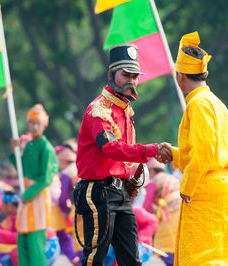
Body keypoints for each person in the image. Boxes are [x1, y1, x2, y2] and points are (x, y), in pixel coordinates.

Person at [73, 43, 170, 266]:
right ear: (110, 74)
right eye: (125, 74)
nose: (132, 81)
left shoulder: (125, 110)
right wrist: (153, 150)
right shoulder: (100, 109)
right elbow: (110, 149)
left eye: (135, 76)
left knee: (131, 259)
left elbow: (126, 155)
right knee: (94, 259)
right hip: (98, 191)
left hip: (120, 192)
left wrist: (133, 179)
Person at [158, 32, 228, 265]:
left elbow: (205, 152)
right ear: (205, 74)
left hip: (207, 190)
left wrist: (187, 186)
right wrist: (175, 155)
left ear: (180, 77)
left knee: (200, 257)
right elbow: (214, 150)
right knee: (225, 256)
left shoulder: (197, 104)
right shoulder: (217, 103)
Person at [10, 104, 59, 266]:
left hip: (36, 197)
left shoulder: (47, 148)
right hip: (26, 195)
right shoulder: (30, 145)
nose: (34, 126)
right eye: (31, 122)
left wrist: (27, 194)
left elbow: (46, 178)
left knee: (35, 245)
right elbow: (23, 170)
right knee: (22, 241)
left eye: (38, 123)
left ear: (44, 125)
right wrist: (15, 151)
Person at [142, 158, 180, 266]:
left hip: (168, 216)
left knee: (164, 245)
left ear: (152, 171)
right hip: (180, 212)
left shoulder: (154, 182)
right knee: (176, 244)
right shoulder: (172, 178)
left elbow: (146, 207)